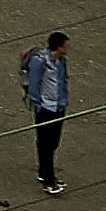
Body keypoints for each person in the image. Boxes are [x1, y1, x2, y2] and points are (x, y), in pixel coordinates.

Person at [20, 30, 68, 196]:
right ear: (58, 47)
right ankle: (49, 180)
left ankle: (44, 172)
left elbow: (62, 81)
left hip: (58, 107)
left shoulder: (62, 62)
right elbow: (34, 85)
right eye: (65, 45)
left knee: (53, 142)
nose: (67, 48)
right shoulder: (39, 61)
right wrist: (38, 105)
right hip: (46, 108)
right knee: (45, 144)